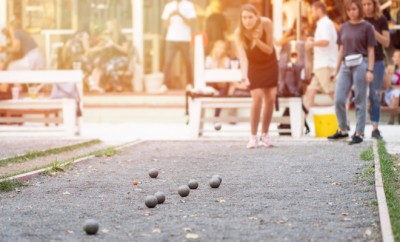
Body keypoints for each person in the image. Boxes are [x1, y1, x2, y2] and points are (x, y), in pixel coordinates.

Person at [328, 0, 376, 145]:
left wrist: (370, 70)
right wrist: (335, 71)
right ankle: (343, 129)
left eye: (354, 9)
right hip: (345, 65)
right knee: (338, 99)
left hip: (361, 64)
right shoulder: (343, 27)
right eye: (349, 10)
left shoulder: (367, 27)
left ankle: (359, 132)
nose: (351, 12)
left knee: (360, 100)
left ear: (359, 9)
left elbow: (371, 50)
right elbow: (341, 50)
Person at [234, 4, 278, 148]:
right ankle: (253, 137)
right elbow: (243, 57)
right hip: (254, 66)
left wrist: (256, 40)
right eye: (244, 17)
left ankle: (264, 134)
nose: (247, 20)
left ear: (256, 17)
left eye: (250, 17)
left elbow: (269, 49)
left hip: (269, 63)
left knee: (270, 98)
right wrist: (244, 76)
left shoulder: (266, 24)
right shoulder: (238, 33)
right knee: (257, 96)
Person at [362, 0, 390, 139]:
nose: (366, 7)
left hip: (378, 61)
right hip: (361, 61)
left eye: (369, 4)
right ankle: (358, 129)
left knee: (375, 95)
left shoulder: (381, 19)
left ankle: (375, 128)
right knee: (360, 96)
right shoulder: (358, 19)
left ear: (374, 4)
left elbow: (386, 41)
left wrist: (373, 32)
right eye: (364, 4)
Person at [304, 1, 338, 110]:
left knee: (333, 94)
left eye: (312, 11)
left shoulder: (325, 23)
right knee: (310, 92)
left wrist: (311, 44)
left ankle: (344, 123)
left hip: (325, 65)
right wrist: (314, 40)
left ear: (319, 10)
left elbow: (326, 41)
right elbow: (324, 40)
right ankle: (300, 123)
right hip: (320, 66)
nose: (311, 14)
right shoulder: (323, 24)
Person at [161, 0, 196, 90]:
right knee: (168, 62)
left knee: (187, 61)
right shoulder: (168, 6)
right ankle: (165, 84)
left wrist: (179, 14)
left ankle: (189, 83)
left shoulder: (189, 5)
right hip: (171, 38)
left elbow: (191, 23)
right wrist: (170, 15)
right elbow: (165, 24)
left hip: (184, 38)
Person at [88, 19, 130, 92]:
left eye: (109, 26)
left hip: (122, 58)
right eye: (107, 26)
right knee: (100, 63)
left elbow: (125, 50)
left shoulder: (122, 36)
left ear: (114, 26)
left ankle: (117, 85)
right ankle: (101, 85)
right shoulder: (108, 37)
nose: (107, 28)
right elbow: (101, 47)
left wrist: (113, 44)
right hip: (111, 59)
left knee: (109, 66)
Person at [383, 49, 400, 124]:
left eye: (397, 57)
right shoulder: (390, 68)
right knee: (396, 94)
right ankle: (391, 119)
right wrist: (388, 74)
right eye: (394, 56)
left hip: (397, 91)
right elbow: (386, 86)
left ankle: (392, 119)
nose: (394, 58)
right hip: (390, 91)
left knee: (397, 93)